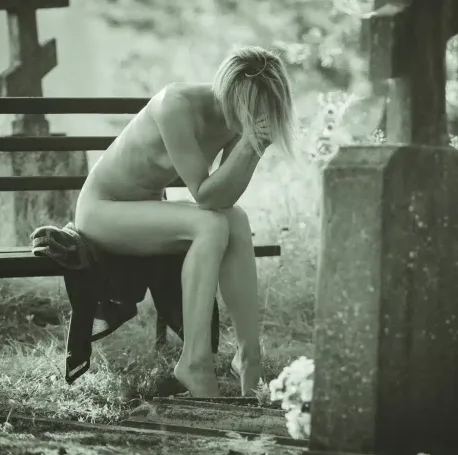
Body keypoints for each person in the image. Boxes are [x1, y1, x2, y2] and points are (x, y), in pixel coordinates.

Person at [74, 45, 296, 398]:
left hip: (145, 209)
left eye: (261, 111)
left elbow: (226, 199)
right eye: (249, 109)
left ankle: (249, 355)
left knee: (236, 220)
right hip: (102, 211)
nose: (252, 119)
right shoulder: (174, 105)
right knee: (211, 225)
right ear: (229, 92)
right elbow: (205, 196)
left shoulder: (241, 114)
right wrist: (249, 145)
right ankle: (194, 360)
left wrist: (252, 147)